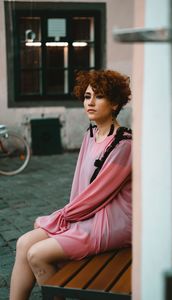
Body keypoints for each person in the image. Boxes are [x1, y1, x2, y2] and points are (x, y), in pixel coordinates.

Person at [9, 69, 132, 300]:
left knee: (36, 254)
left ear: (115, 103)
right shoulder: (91, 134)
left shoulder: (123, 144)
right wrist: (66, 219)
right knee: (24, 243)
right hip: (85, 216)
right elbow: (79, 187)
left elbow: (97, 195)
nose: (91, 103)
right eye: (87, 97)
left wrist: (60, 218)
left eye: (100, 96)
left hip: (110, 224)